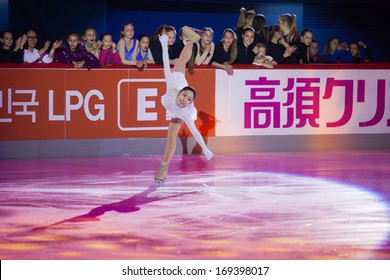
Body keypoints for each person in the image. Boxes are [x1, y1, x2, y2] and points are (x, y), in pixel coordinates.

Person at [154, 27, 214, 182]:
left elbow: (195, 132)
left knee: (171, 135)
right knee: (181, 62)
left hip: (178, 107)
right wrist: (163, 44)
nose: (185, 99)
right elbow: (166, 64)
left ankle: (164, 165)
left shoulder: (185, 111)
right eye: (185, 96)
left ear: (190, 103)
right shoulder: (172, 87)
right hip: (179, 82)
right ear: (180, 93)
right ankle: (192, 40)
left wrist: (206, 150)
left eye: (189, 99)